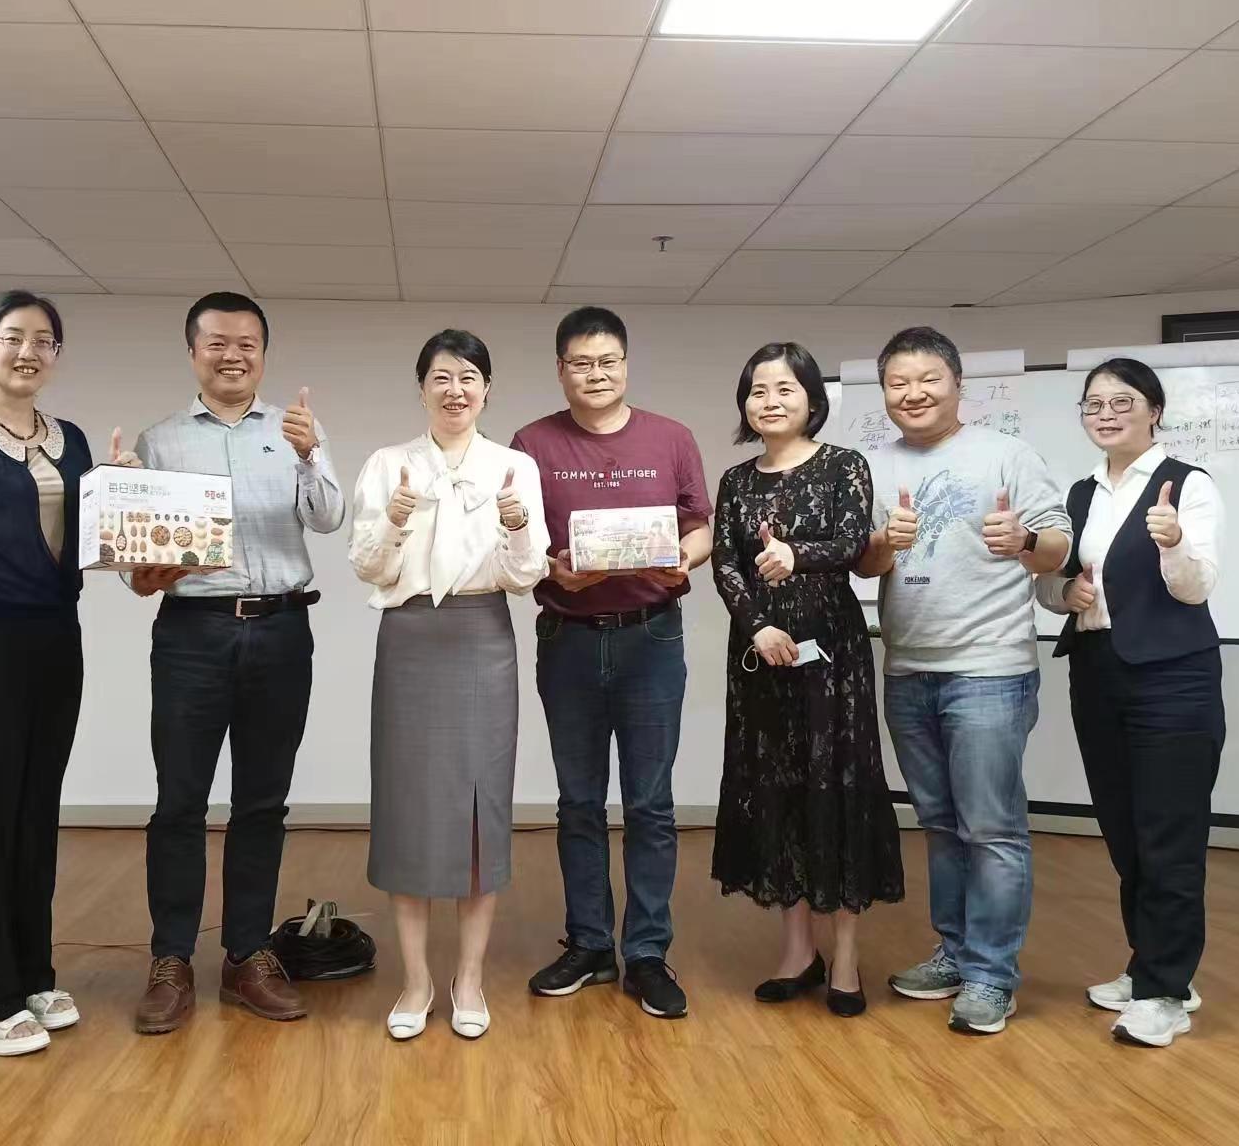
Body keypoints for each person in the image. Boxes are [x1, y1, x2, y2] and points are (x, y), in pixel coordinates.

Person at [0, 291, 132, 1057]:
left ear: (56, 356)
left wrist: (124, 493)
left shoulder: (71, 440)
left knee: (37, 810)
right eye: (12, 338)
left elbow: (93, 545)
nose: (27, 352)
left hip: (56, 636)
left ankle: (32, 973)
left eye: (44, 340)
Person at [128, 291, 344, 1034]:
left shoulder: (295, 430)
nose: (233, 355)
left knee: (262, 802)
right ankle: (171, 960)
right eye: (217, 342)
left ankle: (248, 954)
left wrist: (311, 453)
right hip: (192, 633)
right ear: (194, 352)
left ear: (263, 353)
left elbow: (328, 518)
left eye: (247, 343)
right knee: (179, 802)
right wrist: (134, 558)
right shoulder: (159, 442)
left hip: (281, 631)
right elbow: (140, 563)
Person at [853, 326, 1072, 1035]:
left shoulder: (1006, 454)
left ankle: (991, 976)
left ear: (956, 385)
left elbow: (1057, 547)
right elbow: (864, 565)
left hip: (988, 670)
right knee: (941, 825)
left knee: (992, 828)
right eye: (898, 383)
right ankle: (954, 952)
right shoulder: (872, 465)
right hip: (907, 666)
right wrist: (884, 543)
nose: (913, 393)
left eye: (928, 380)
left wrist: (1025, 542)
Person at [511, 306, 713, 1020]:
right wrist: (553, 569)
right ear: (560, 370)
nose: (596, 374)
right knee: (578, 800)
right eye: (581, 363)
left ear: (625, 365)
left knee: (651, 802)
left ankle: (648, 952)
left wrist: (682, 557)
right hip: (567, 637)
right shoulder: (531, 444)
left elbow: (701, 524)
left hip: (650, 639)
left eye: (608, 361)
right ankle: (591, 944)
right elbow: (518, 542)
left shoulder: (671, 437)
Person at [350, 330, 550, 1041]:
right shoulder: (387, 464)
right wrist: (395, 518)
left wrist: (518, 524)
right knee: (406, 805)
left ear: (487, 389)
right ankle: (415, 981)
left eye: (468, 377)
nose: (455, 389)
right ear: (422, 389)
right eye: (441, 377)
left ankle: (468, 978)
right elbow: (367, 566)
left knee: (479, 807)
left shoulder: (514, 467)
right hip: (409, 638)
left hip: (481, 635)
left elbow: (527, 575)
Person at [710, 343, 903, 1018]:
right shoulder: (736, 481)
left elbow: (854, 543)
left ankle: (845, 955)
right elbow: (726, 565)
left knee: (836, 789)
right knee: (776, 790)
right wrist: (758, 627)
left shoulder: (844, 465)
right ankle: (797, 950)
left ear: (813, 400)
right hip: (762, 658)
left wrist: (796, 554)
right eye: (757, 390)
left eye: (785, 389)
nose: (770, 401)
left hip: (833, 657)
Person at [1037, 358, 1224, 1049]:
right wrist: (1066, 594)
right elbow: (1053, 584)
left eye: (1123, 401)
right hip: (1098, 672)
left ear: (1154, 411)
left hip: (1173, 677)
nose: (1107, 414)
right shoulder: (1081, 493)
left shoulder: (1189, 484)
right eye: (1094, 404)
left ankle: (1165, 993)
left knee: (1169, 836)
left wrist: (1173, 544)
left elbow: (1197, 587)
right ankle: (1150, 964)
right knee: (1124, 832)